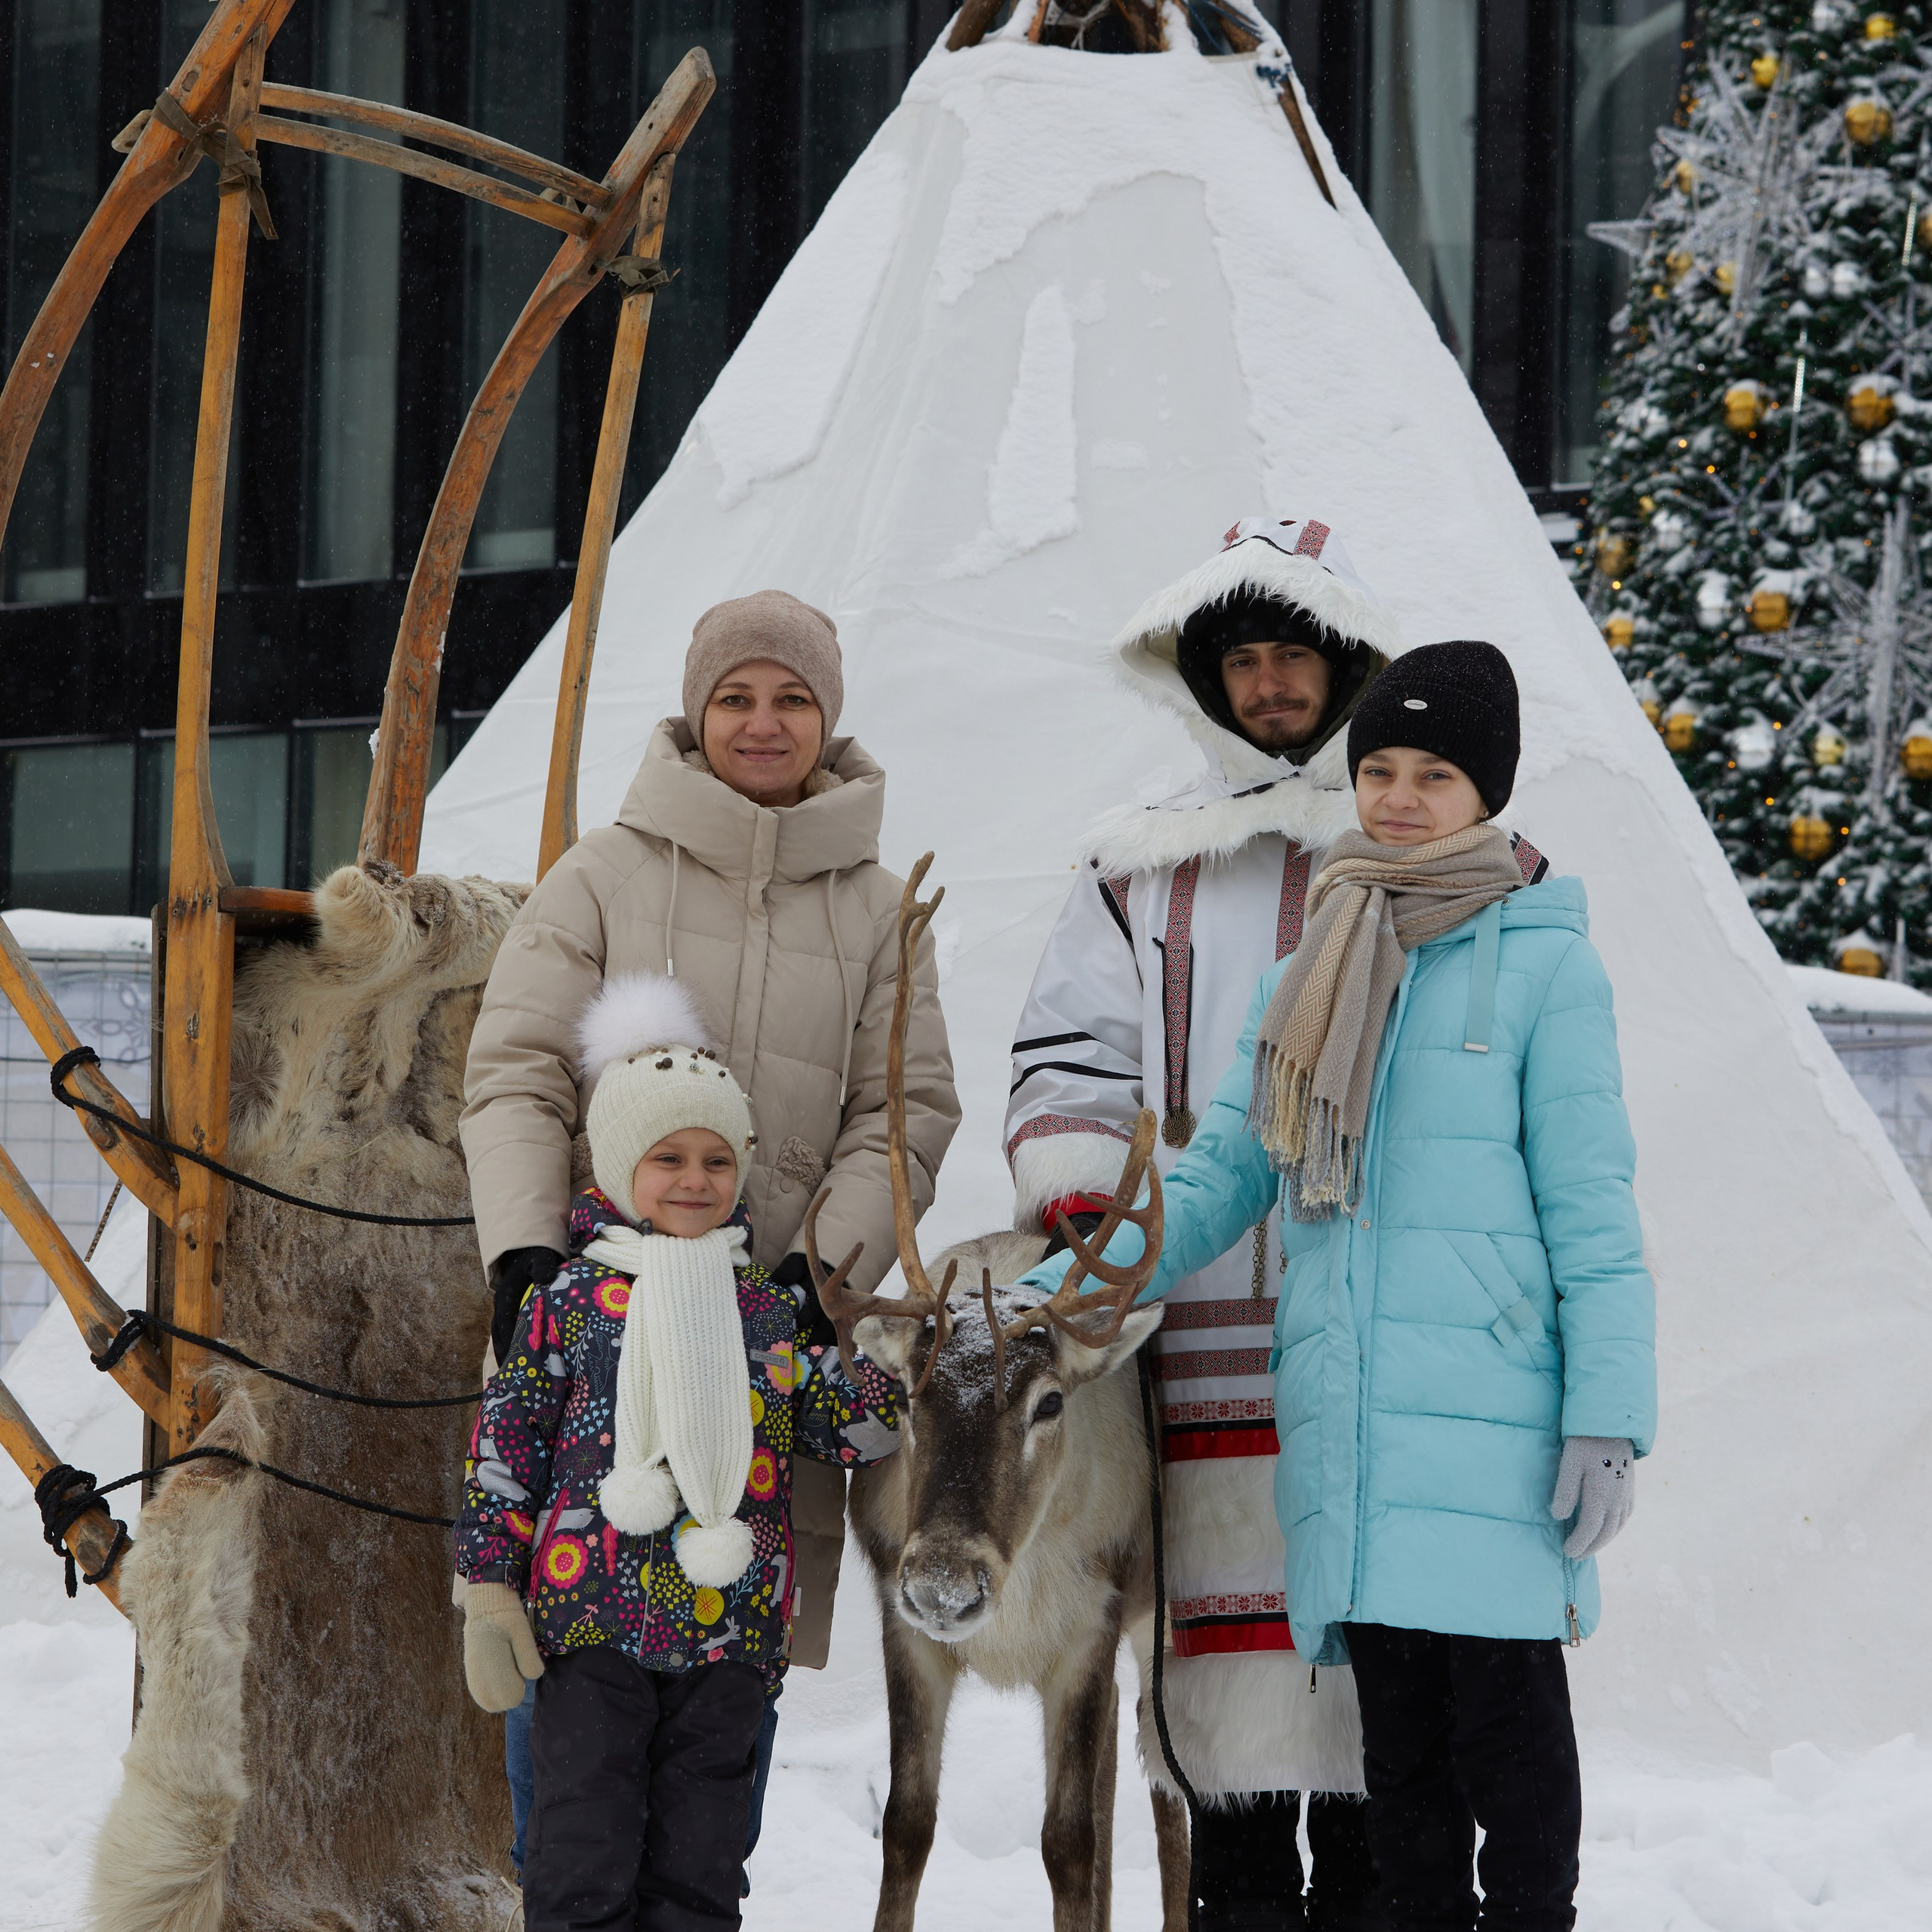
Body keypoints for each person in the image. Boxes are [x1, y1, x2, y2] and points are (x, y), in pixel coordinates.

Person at [1020, 639, 1657, 1931]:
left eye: (1436, 774)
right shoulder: (1306, 975)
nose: (1403, 798)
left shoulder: (1546, 967)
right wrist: (1066, 1285)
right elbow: (1217, 1186)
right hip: (1355, 1438)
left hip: (1491, 1441)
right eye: (1380, 770)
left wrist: (1612, 1413)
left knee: (1518, 1771)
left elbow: (1595, 1213)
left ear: (1489, 795)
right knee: (1401, 1783)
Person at [460, 589, 960, 1880]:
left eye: (792, 698)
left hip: (765, 1355)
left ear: (829, 719)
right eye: (736, 695)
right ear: (696, 710)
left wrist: (817, 1278)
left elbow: (904, 1111)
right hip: (595, 1336)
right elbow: (515, 1068)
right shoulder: (607, 871)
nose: (763, 721)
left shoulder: (877, 905)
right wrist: (524, 1250)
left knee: (714, 1754)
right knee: (567, 1761)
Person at [455, 975, 906, 1930]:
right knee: (580, 1856)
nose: (695, 1180)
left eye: (715, 1158)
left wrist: (899, 1369)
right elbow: (505, 1446)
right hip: (587, 1631)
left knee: (700, 1875)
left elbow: (856, 1430)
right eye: (668, 1157)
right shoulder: (566, 1305)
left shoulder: (771, 1316)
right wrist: (489, 1588)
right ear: (619, 1169)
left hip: (730, 1640)